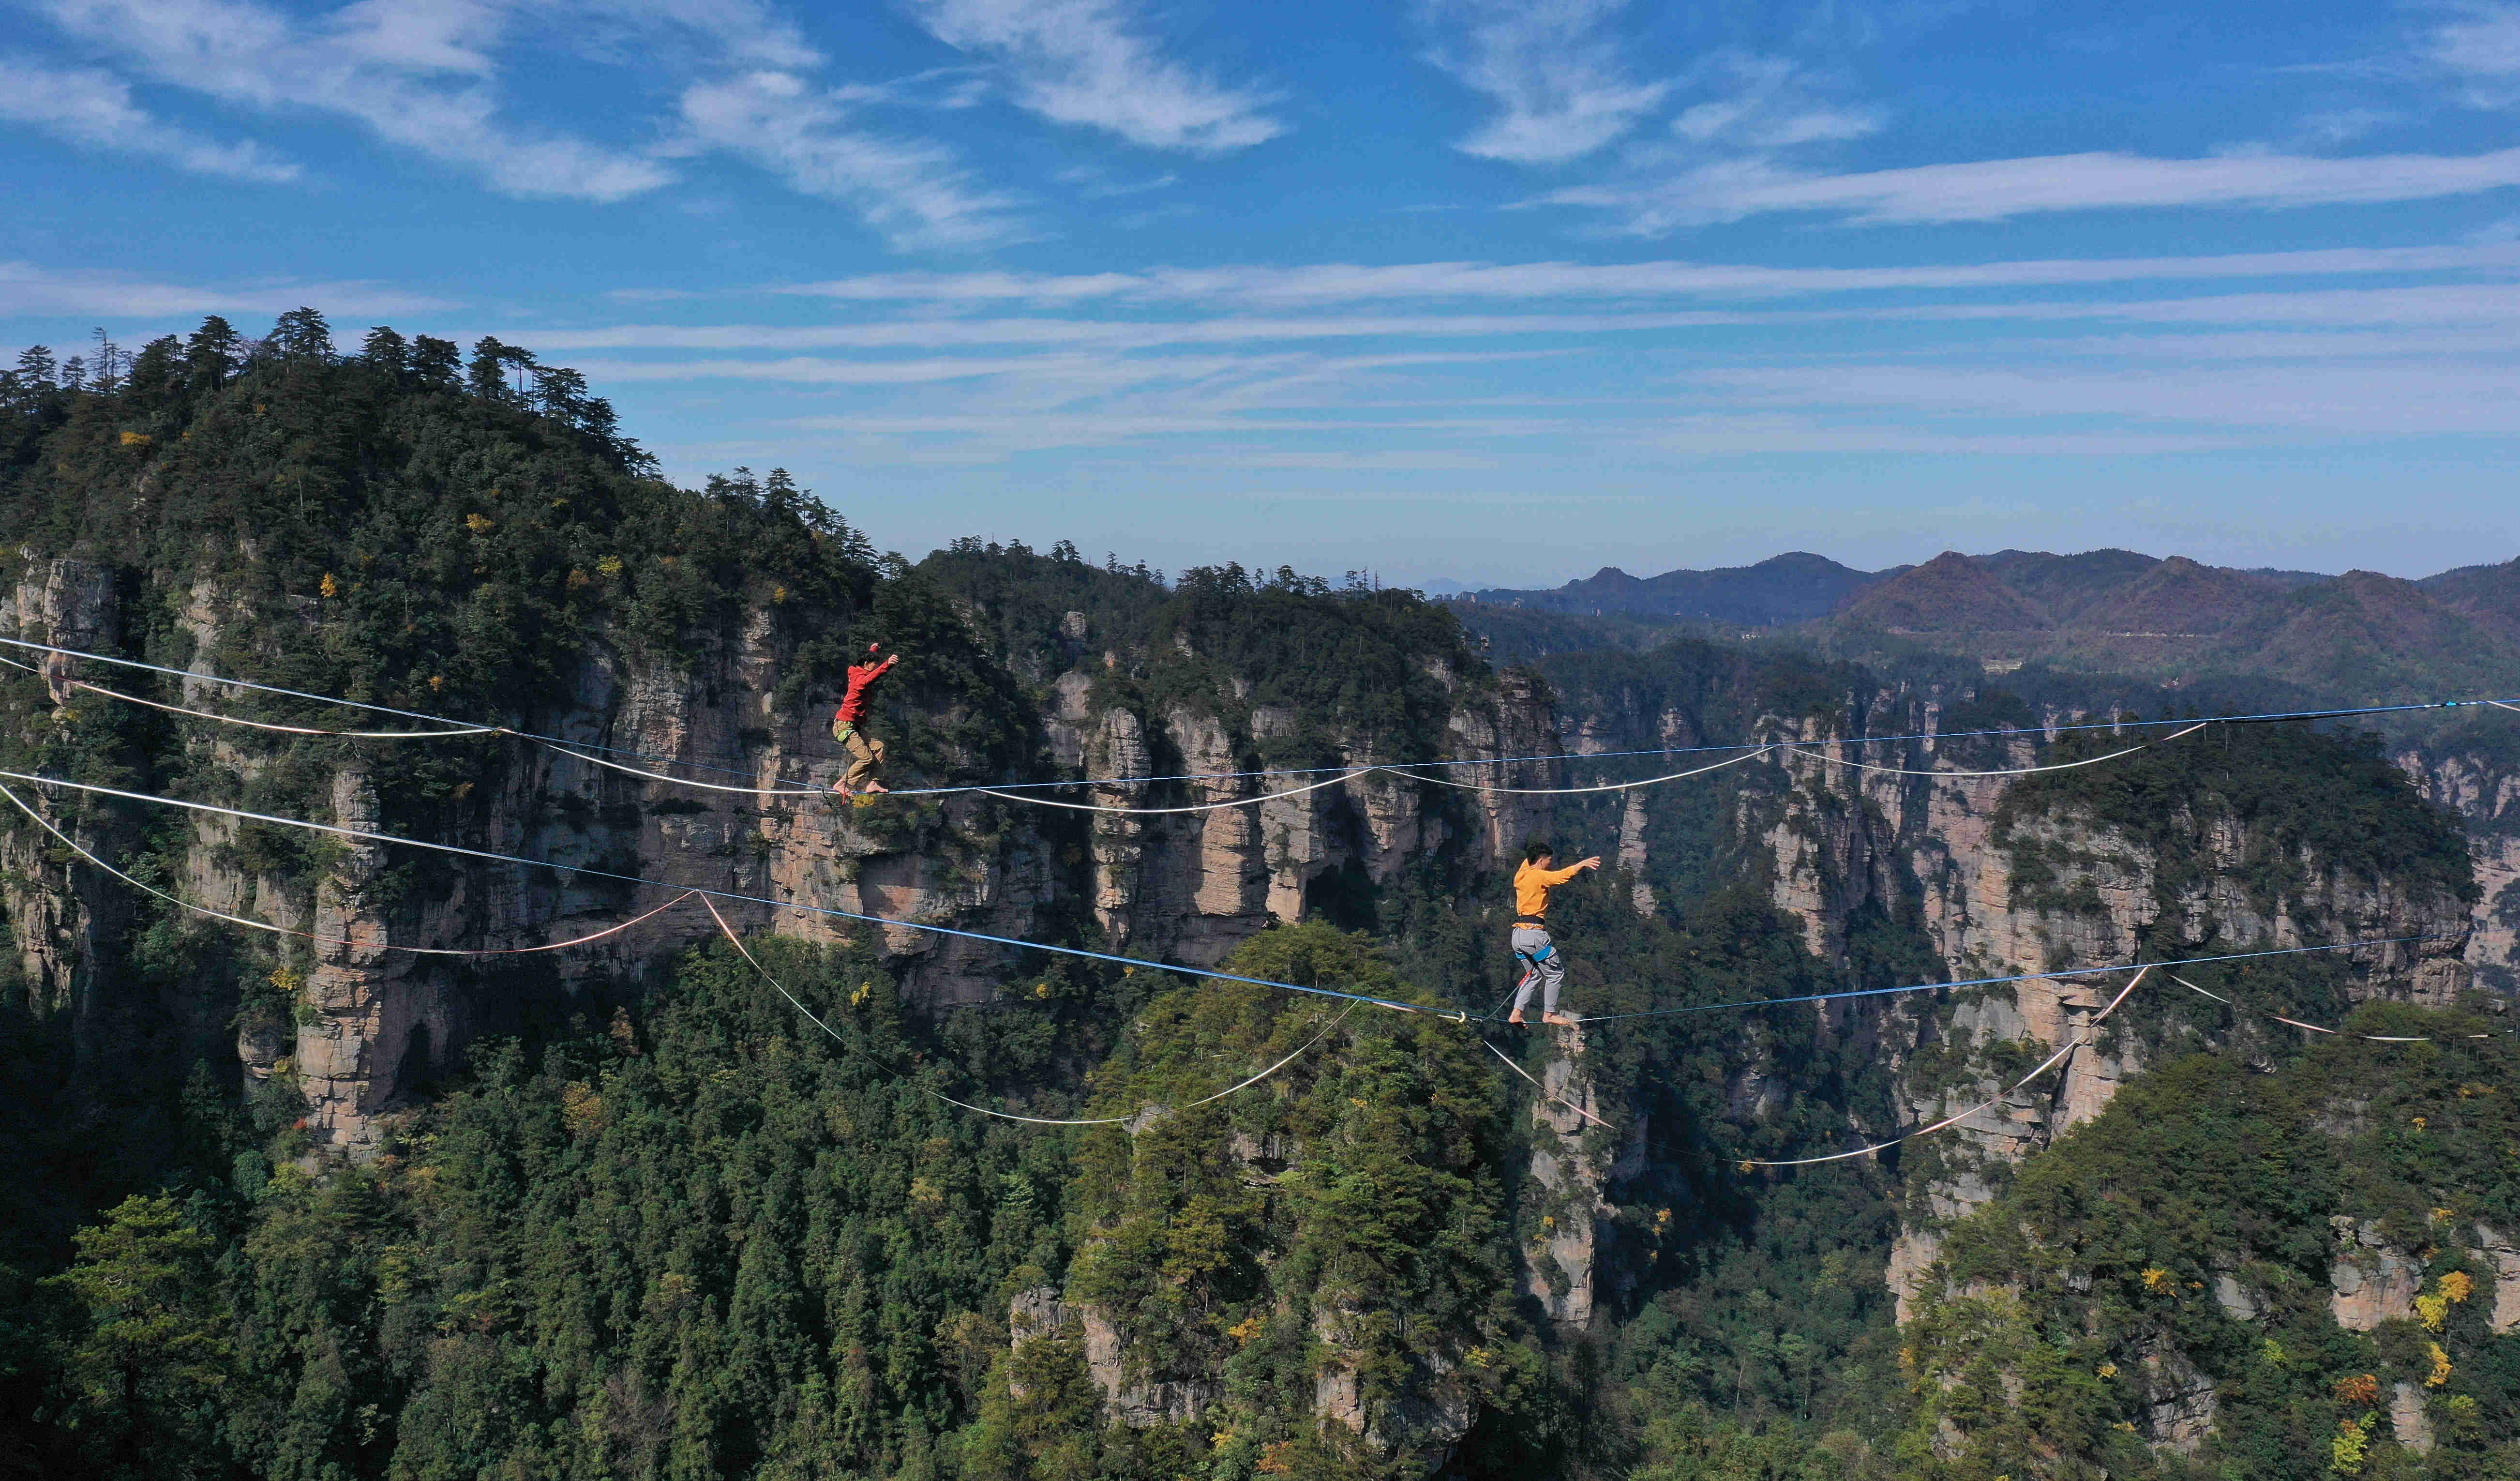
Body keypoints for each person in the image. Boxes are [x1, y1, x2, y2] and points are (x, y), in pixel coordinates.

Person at [1508, 839, 1600, 1027]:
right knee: (1556, 974)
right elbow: (1561, 877)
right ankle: (1549, 1014)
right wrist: (1581, 864)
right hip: (1533, 936)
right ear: (1541, 860)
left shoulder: (1521, 874)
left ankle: (1516, 1014)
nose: (1551, 864)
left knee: (1534, 974)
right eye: (1549, 860)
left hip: (1517, 936)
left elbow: (1529, 859)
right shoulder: (1538, 876)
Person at [831, 642, 900, 798]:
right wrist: (887, 665)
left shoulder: (860, 670)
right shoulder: (859, 680)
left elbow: (868, 666)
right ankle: (842, 784)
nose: (876, 667)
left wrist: (873, 651)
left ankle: (873, 783)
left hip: (855, 726)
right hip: (844, 726)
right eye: (875, 664)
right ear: (866, 664)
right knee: (867, 758)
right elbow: (870, 679)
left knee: (879, 747)